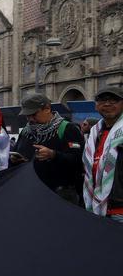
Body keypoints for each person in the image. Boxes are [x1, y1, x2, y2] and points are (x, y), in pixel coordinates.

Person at [11, 93, 84, 202]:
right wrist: (15, 160)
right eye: (27, 115)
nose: (30, 119)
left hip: (59, 195)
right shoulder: (26, 132)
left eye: (33, 114)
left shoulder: (68, 129)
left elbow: (79, 161)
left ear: (47, 109)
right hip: (29, 191)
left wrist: (53, 154)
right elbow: (18, 153)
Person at [83, 87, 123, 221]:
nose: (107, 104)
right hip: (98, 209)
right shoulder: (94, 133)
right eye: (102, 100)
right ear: (96, 106)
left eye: (114, 100)